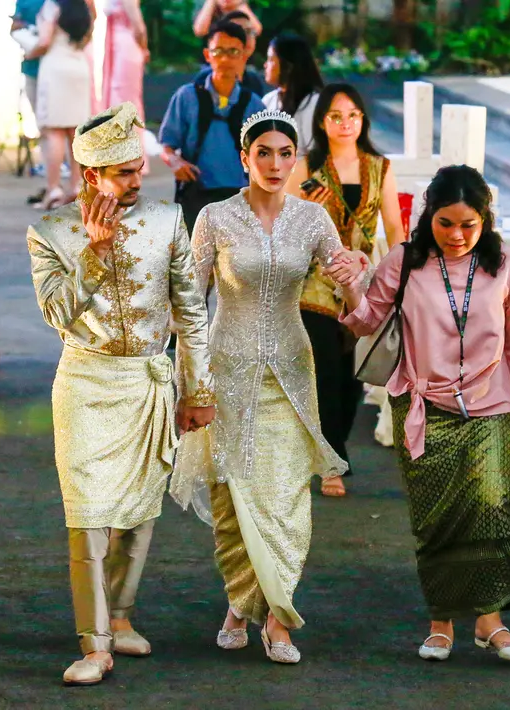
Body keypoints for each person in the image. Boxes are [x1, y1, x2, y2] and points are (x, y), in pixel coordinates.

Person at [26, 102, 215, 686]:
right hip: (85, 381)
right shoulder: (52, 231)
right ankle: (95, 643)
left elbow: (190, 311)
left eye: (139, 168)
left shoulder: (167, 220)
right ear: (92, 177)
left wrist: (195, 388)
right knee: (88, 515)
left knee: (138, 511)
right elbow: (57, 314)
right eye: (126, 173)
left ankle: (123, 618)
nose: (140, 180)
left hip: (147, 382)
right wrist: (95, 249)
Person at [335, 164, 510, 663]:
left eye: (468, 225)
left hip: (490, 403)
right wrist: (351, 285)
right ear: (428, 216)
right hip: (423, 403)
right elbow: (366, 320)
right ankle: (441, 622)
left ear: (486, 221)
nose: (457, 236)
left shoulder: (508, 265)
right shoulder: (404, 261)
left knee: (490, 508)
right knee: (436, 519)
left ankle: (490, 622)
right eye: (445, 223)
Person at [170, 109, 365, 665]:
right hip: (226, 372)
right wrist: (190, 384)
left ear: (296, 157)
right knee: (235, 494)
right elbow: (190, 304)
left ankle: (278, 621)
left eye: (286, 153)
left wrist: (358, 276)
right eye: (264, 154)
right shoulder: (214, 217)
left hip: (292, 370)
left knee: (284, 498)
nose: (276, 164)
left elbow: (357, 302)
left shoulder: (313, 219)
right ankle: (239, 603)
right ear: (244, 158)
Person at [288, 82, 406, 497]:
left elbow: (393, 227)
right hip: (314, 284)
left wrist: (401, 276)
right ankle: (330, 459)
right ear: (322, 121)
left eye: (353, 115)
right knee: (323, 373)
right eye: (336, 116)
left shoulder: (379, 167)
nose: (345, 124)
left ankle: (333, 448)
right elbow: (284, 222)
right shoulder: (307, 167)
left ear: (363, 120)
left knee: (353, 375)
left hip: (361, 284)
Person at [159, 21, 264, 233]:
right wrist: (174, 161)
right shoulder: (187, 97)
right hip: (196, 195)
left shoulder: (254, 104)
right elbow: (167, 146)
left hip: (241, 197)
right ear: (208, 55)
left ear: (244, 55)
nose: (225, 59)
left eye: (233, 51)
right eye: (218, 51)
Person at [25, 0, 95, 210]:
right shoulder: (84, 7)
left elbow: (45, 40)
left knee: (53, 131)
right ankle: (76, 187)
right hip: (78, 67)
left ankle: (53, 189)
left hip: (55, 68)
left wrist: (29, 53)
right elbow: (88, 36)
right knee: (75, 132)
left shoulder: (52, 5)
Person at [12, 0, 49, 204]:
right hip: (34, 67)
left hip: (46, 66)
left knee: (51, 129)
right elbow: (14, 27)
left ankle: (56, 183)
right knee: (45, 127)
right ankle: (53, 180)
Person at [262, 33, 323, 157]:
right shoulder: (268, 101)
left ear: (288, 66)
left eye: (270, 59)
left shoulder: (314, 103)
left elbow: (317, 156)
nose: (265, 65)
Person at [192, 10, 265, 96]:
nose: (245, 37)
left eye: (249, 31)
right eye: (237, 31)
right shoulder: (204, 80)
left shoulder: (254, 81)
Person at [100, 0, 148, 121]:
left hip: (116, 43)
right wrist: (145, 48)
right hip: (125, 43)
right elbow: (139, 29)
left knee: (120, 93)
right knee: (124, 95)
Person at [192, 0, 261, 38]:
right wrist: (211, 2)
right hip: (211, 59)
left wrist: (240, 5)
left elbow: (256, 31)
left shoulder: (248, 6)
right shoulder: (206, 6)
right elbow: (200, 31)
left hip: (242, 59)